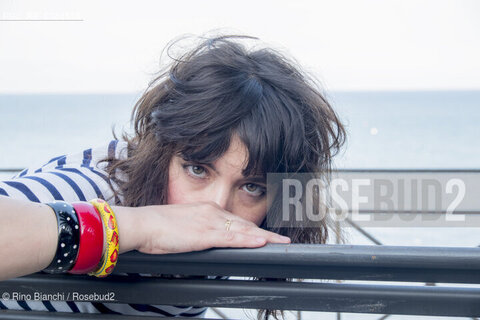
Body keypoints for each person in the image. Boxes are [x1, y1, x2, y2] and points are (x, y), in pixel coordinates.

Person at [0, 34, 345, 318]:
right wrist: (138, 226)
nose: (217, 208)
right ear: (162, 152)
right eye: (197, 169)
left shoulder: (235, 238)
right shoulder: (97, 188)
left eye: (252, 187)